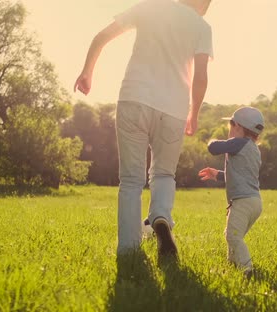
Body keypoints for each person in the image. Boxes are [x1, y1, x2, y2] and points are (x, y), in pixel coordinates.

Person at [74, 0, 213, 257]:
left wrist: (87, 72)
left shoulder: (150, 6)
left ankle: (129, 251)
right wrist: (194, 113)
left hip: (134, 98)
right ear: (203, 4)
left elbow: (101, 37)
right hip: (173, 109)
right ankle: (160, 217)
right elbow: (201, 77)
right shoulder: (202, 27)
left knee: (131, 181)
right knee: (163, 174)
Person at [198, 107, 265, 276]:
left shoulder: (239, 142)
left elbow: (213, 148)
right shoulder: (254, 149)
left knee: (233, 237)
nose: (229, 129)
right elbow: (239, 175)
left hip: (242, 202)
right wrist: (217, 175)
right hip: (254, 202)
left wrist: (211, 139)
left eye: (230, 124)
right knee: (233, 235)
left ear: (238, 126)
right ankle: (233, 265)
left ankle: (247, 270)